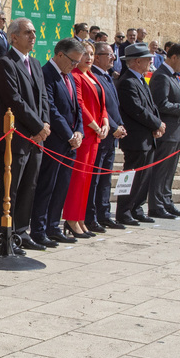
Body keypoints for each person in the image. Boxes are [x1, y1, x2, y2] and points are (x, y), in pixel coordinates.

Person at [0, 18, 51, 253]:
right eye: (28, 32)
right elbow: (14, 100)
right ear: (14, 36)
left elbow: (43, 97)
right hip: (15, 138)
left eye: (34, 32)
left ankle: (20, 232)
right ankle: (4, 236)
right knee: (11, 188)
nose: (33, 36)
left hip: (36, 138)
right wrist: (38, 126)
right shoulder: (6, 63)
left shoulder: (35, 63)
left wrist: (44, 124)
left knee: (29, 186)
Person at [31, 37, 84, 247]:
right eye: (73, 61)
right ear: (60, 54)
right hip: (55, 141)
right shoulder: (47, 74)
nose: (75, 66)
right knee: (47, 186)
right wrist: (69, 135)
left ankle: (53, 226)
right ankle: (39, 229)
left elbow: (76, 107)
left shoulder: (69, 76)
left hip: (70, 142)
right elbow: (50, 108)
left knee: (61, 186)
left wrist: (79, 131)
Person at [115, 42, 165, 225]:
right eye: (147, 59)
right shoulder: (127, 81)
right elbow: (137, 110)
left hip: (147, 137)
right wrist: (156, 123)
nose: (150, 62)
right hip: (135, 139)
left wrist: (157, 125)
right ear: (136, 61)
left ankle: (136, 207)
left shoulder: (140, 79)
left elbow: (151, 106)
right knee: (130, 176)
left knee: (144, 176)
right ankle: (124, 210)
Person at [148, 42, 180, 219]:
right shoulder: (162, 76)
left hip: (176, 131)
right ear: (173, 57)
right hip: (167, 131)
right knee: (161, 170)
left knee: (170, 170)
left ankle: (166, 201)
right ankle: (157, 205)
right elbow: (161, 104)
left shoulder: (174, 76)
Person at [64, 41, 108, 237]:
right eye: (85, 54)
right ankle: (71, 219)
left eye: (91, 54)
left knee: (87, 180)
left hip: (96, 134)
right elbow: (80, 105)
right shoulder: (76, 77)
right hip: (86, 133)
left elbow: (102, 104)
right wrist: (95, 125)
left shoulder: (92, 76)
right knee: (78, 178)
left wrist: (105, 121)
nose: (89, 58)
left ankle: (80, 219)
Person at [87, 42, 126, 230]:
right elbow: (98, 108)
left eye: (113, 56)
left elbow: (114, 106)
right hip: (102, 133)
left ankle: (104, 213)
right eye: (108, 55)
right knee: (96, 179)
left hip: (112, 134)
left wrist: (120, 125)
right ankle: (91, 215)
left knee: (106, 177)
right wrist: (112, 126)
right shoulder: (93, 76)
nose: (112, 58)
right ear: (97, 57)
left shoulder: (108, 77)